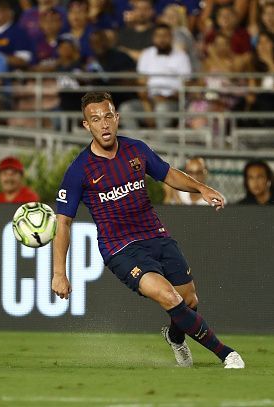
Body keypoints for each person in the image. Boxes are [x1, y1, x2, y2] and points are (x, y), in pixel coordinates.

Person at [52, 91, 245, 369]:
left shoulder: (136, 150)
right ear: (87, 126)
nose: (103, 124)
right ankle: (226, 354)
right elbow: (63, 222)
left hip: (156, 235)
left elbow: (168, 174)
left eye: (108, 116)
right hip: (120, 249)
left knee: (188, 301)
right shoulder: (79, 170)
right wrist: (59, 273)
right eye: (95, 119)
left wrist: (201, 188)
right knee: (168, 296)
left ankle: (176, 338)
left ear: (117, 118)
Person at [119, 23, 191, 131]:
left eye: (165, 36)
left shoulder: (181, 56)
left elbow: (186, 85)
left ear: (171, 37)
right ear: (153, 38)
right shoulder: (146, 54)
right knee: (126, 109)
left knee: (161, 110)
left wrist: (165, 99)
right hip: (148, 101)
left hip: (172, 102)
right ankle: (135, 146)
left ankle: (160, 147)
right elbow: (141, 83)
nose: (161, 39)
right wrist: (148, 109)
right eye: (158, 36)